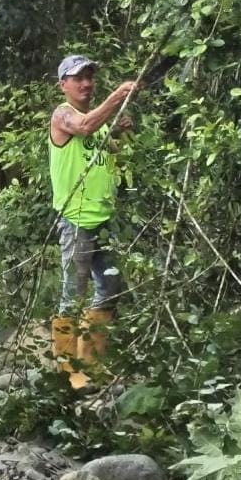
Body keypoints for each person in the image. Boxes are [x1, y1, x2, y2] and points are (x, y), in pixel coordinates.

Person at [48, 55, 136, 390]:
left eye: (89, 77)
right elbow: (83, 126)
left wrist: (120, 135)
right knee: (74, 293)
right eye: (78, 78)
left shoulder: (100, 126)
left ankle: (91, 365)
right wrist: (118, 95)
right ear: (64, 85)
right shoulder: (63, 115)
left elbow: (116, 163)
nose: (86, 84)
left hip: (103, 221)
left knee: (110, 288)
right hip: (76, 220)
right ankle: (67, 373)